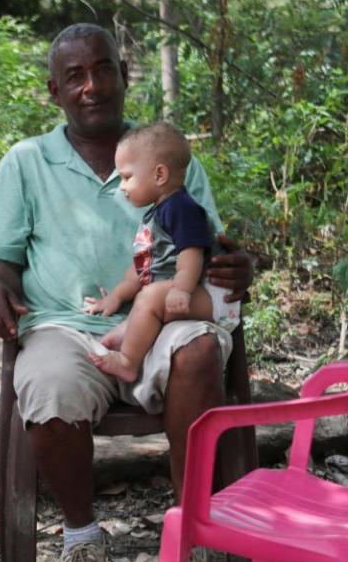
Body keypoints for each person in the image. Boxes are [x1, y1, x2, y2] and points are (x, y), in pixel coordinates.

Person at [0, 23, 253, 562]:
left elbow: (211, 249)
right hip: (67, 329)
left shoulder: (168, 156)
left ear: (125, 77)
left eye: (103, 70)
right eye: (74, 76)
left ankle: (191, 539)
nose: (92, 86)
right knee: (47, 381)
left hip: (166, 321)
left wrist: (237, 269)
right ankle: (82, 540)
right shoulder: (25, 163)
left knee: (201, 351)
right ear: (55, 92)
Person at [84, 121, 241, 383]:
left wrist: (181, 289)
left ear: (159, 175)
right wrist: (116, 296)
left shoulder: (181, 208)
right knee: (144, 301)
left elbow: (191, 254)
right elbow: (141, 267)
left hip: (209, 297)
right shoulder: (157, 213)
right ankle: (123, 337)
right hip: (184, 292)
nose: (121, 186)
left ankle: (128, 362)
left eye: (126, 177)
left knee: (149, 298)